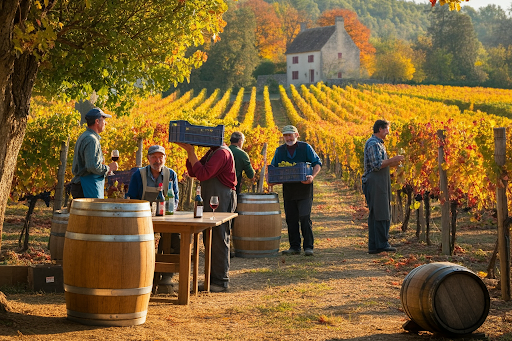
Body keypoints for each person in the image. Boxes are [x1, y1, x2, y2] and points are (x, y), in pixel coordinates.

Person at [176, 142, 236, 293]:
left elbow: (203, 174)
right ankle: (211, 279)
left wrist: (191, 150)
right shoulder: (212, 151)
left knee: (219, 237)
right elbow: (193, 171)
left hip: (221, 198)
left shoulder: (222, 153)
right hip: (212, 197)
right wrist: (190, 152)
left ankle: (221, 281)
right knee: (210, 237)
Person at [126, 145, 180, 291]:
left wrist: (170, 211)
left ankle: (167, 276)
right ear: (148, 158)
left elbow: (175, 199)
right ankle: (140, 273)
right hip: (142, 218)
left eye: (160, 157)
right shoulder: (139, 174)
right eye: (154, 157)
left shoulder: (171, 174)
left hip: (165, 218)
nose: (158, 160)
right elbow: (131, 198)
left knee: (175, 237)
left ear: (165, 158)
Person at [269, 125, 322, 256]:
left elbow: (317, 163)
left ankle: (308, 246)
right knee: (291, 219)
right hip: (289, 190)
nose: (288, 137)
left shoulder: (305, 147)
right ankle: (295, 247)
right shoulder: (280, 151)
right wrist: (271, 179)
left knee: (304, 216)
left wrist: (312, 177)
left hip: (304, 188)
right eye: (285, 135)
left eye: (290, 135)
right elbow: (274, 168)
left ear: (297, 135)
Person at [362, 119, 404, 254]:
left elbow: (380, 163)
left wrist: (393, 164)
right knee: (381, 212)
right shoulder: (374, 144)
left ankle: (374, 245)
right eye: (387, 129)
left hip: (378, 182)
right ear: (380, 129)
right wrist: (392, 160)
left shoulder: (378, 143)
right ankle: (381, 244)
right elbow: (377, 165)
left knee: (377, 212)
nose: (388, 132)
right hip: (375, 182)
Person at [70, 108, 118, 199]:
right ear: (97, 121)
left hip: (82, 185)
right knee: (91, 213)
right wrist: (108, 168)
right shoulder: (92, 140)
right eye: (104, 120)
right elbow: (92, 166)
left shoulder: (84, 136)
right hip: (86, 187)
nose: (106, 123)